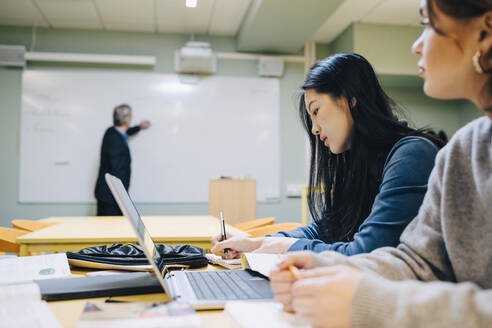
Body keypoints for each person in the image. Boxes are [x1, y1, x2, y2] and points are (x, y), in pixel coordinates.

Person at [269, 0, 492, 327]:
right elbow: (418, 262)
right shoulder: (464, 149)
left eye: (427, 25)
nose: (416, 45)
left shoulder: (414, 152)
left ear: (484, 33)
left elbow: (376, 255)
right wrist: (318, 266)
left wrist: (370, 302)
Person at [212, 53, 443, 258]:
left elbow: (364, 254)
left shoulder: (411, 155)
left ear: (350, 99)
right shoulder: (358, 164)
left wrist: (283, 246)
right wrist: (256, 244)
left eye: (316, 111)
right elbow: (325, 228)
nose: (314, 128)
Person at [94, 104, 150, 216]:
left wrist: (139, 127)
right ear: (127, 120)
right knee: (111, 232)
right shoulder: (116, 142)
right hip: (111, 198)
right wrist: (124, 200)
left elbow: (126, 132)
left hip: (110, 196)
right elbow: (118, 172)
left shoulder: (111, 132)